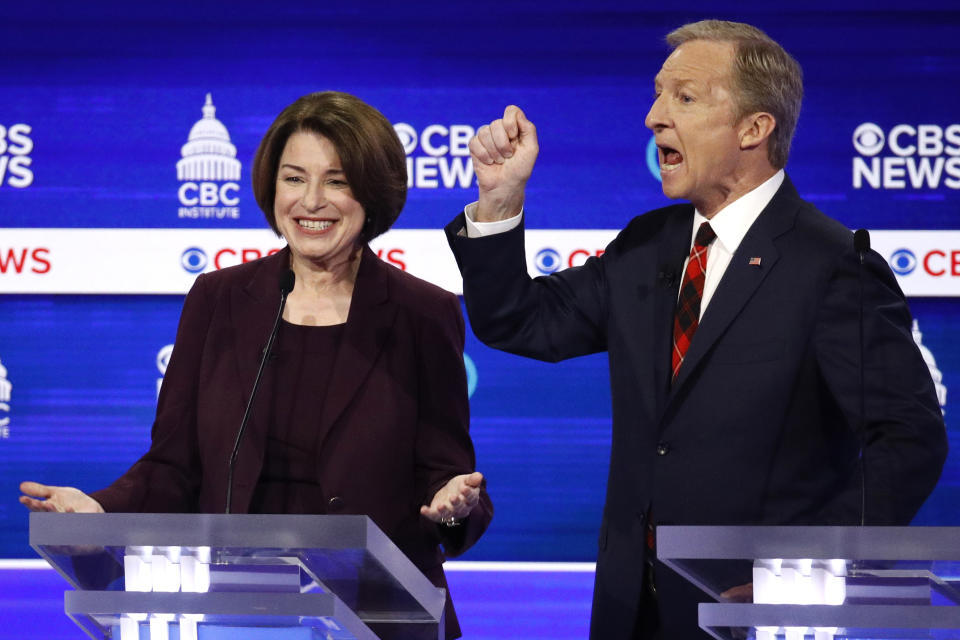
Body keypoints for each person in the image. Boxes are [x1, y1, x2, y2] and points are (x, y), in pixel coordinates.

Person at [445, 20, 947, 640]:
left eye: (683, 97)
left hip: (760, 613)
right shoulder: (645, 247)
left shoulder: (833, 265)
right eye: (657, 95)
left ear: (754, 128)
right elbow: (521, 322)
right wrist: (498, 201)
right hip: (632, 609)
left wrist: (809, 569)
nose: (654, 116)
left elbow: (910, 439)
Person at [21, 91, 492, 639]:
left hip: (377, 614)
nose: (311, 201)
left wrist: (452, 506)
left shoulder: (422, 312)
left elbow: (447, 473)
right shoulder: (218, 299)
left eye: (337, 181)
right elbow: (173, 467)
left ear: (373, 192)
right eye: (294, 178)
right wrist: (100, 512)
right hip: (233, 611)